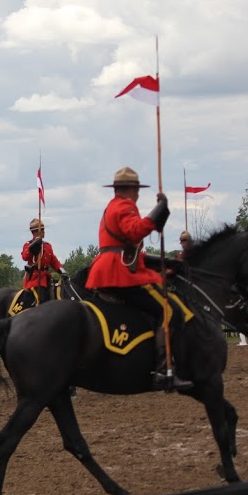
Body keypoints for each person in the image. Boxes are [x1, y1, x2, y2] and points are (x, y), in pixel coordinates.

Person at [85, 167, 192, 392]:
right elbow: (136, 232)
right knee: (170, 310)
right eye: (137, 190)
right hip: (119, 272)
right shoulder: (124, 206)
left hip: (110, 268)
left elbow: (132, 249)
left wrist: (167, 262)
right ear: (132, 189)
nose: (138, 195)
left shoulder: (112, 206)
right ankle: (165, 371)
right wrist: (159, 210)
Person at [21, 219, 66, 303]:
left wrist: (62, 271)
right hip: (35, 279)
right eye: (41, 230)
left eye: (43, 229)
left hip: (47, 278)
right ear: (34, 232)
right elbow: (25, 257)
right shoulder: (28, 244)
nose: (43, 232)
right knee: (42, 298)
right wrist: (33, 248)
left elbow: (54, 261)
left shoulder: (47, 246)